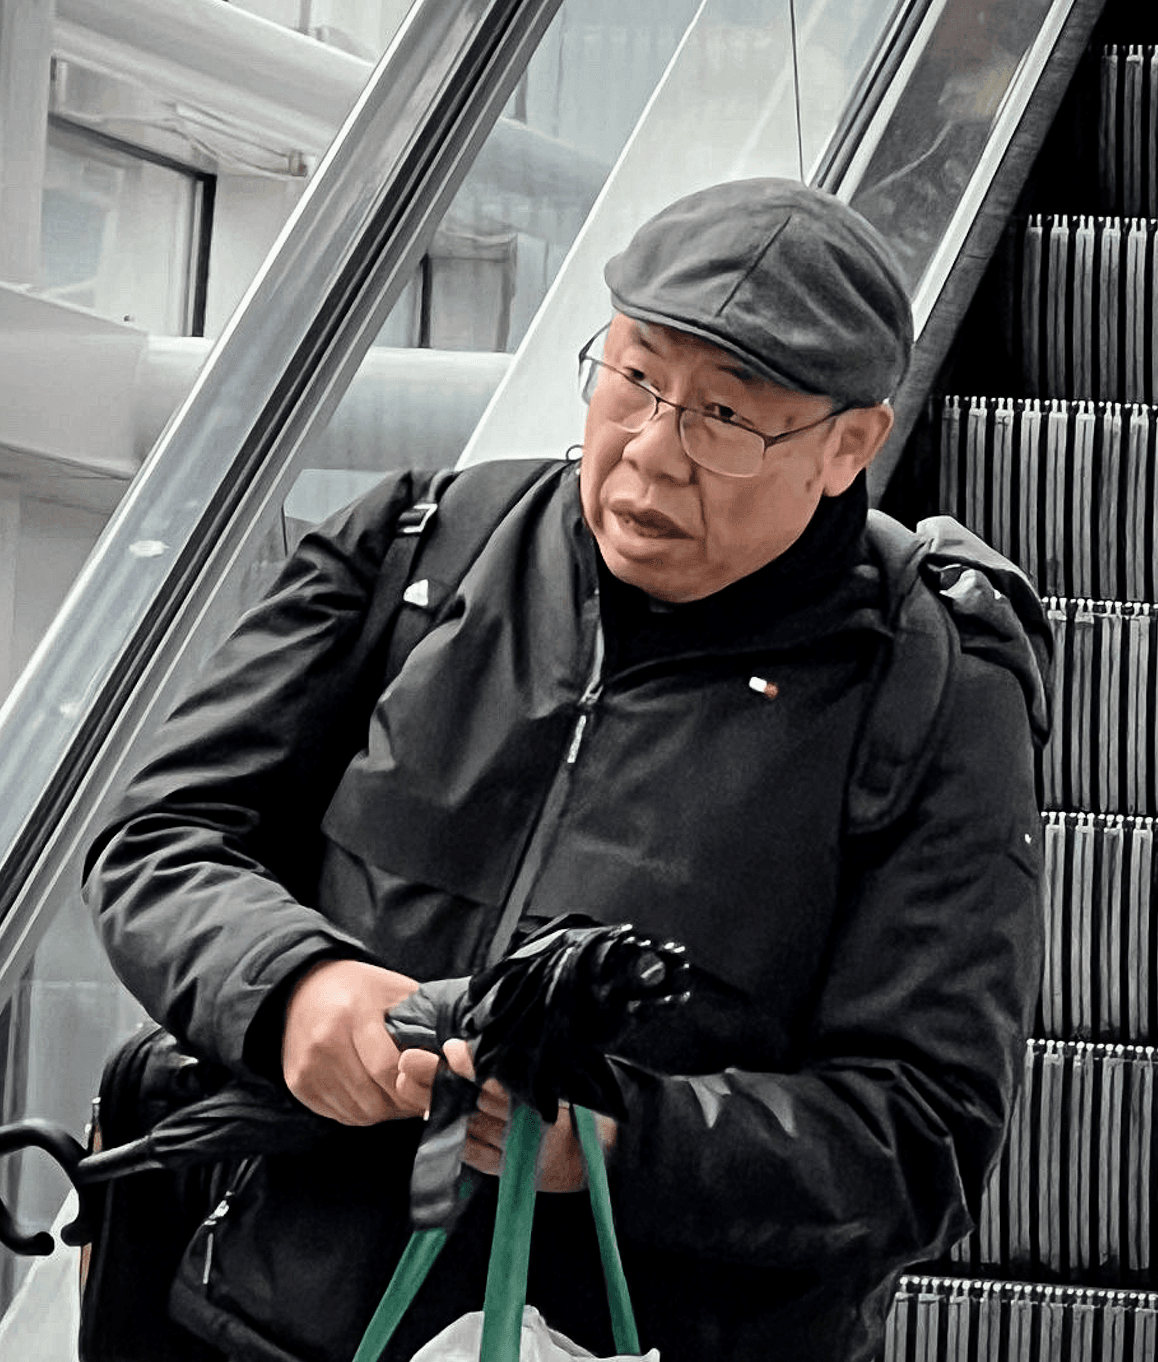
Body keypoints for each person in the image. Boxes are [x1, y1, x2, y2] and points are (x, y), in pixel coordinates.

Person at [84, 178, 1050, 1362]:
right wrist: (290, 987)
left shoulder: (935, 695)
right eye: (634, 378)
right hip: (266, 1319)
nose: (652, 452)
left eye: (727, 419)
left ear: (849, 445)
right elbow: (158, 836)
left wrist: (613, 1139)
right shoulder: (421, 543)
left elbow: (924, 1138)